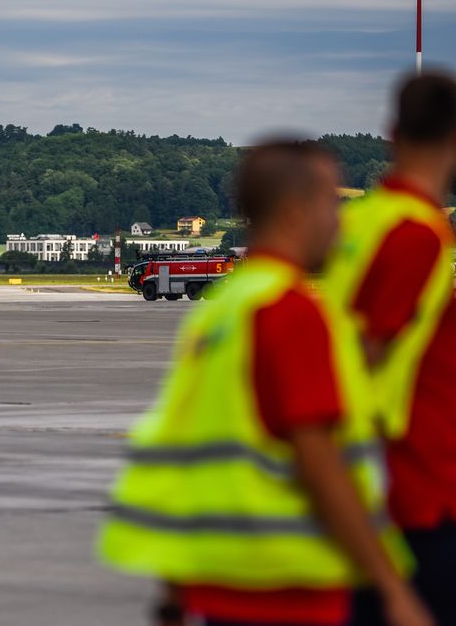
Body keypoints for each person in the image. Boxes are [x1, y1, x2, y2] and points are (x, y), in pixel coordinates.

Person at [98, 140, 431, 626]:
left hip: (221, 583)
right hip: (288, 589)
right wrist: (392, 589)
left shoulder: (223, 311)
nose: (339, 223)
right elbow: (321, 466)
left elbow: (187, 455)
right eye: (330, 205)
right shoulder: (290, 311)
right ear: (295, 212)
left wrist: (174, 594)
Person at [320, 72, 456, 626]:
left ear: (392, 134)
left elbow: (403, 362)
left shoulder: (358, 222)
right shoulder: (417, 234)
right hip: (412, 488)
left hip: (370, 483)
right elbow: (361, 357)